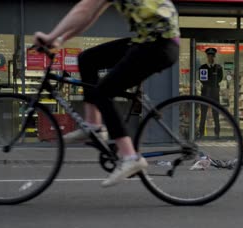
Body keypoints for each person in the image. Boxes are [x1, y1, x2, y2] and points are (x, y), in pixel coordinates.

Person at [33, 0, 179, 187]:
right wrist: (60, 39)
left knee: (102, 93)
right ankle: (93, 126)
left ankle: (130, 156)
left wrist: (50, 36)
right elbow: (91, 14)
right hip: (148, 42)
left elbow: (84, 8)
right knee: (87, 59)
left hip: (157, 46)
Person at [198, 47, 223, 139]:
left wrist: (210, 81)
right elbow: (202, 79)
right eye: (209, 56)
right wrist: (212, 80)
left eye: (212, 56)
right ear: (207, 57)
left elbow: (220, 79)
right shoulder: (202, 67)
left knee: (215, 114)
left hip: (214, 93)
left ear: (214, 57)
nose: (210, 58)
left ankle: (217, 133)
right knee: (203, 114)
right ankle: (201, 133)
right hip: (205, 93)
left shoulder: (218, 67)